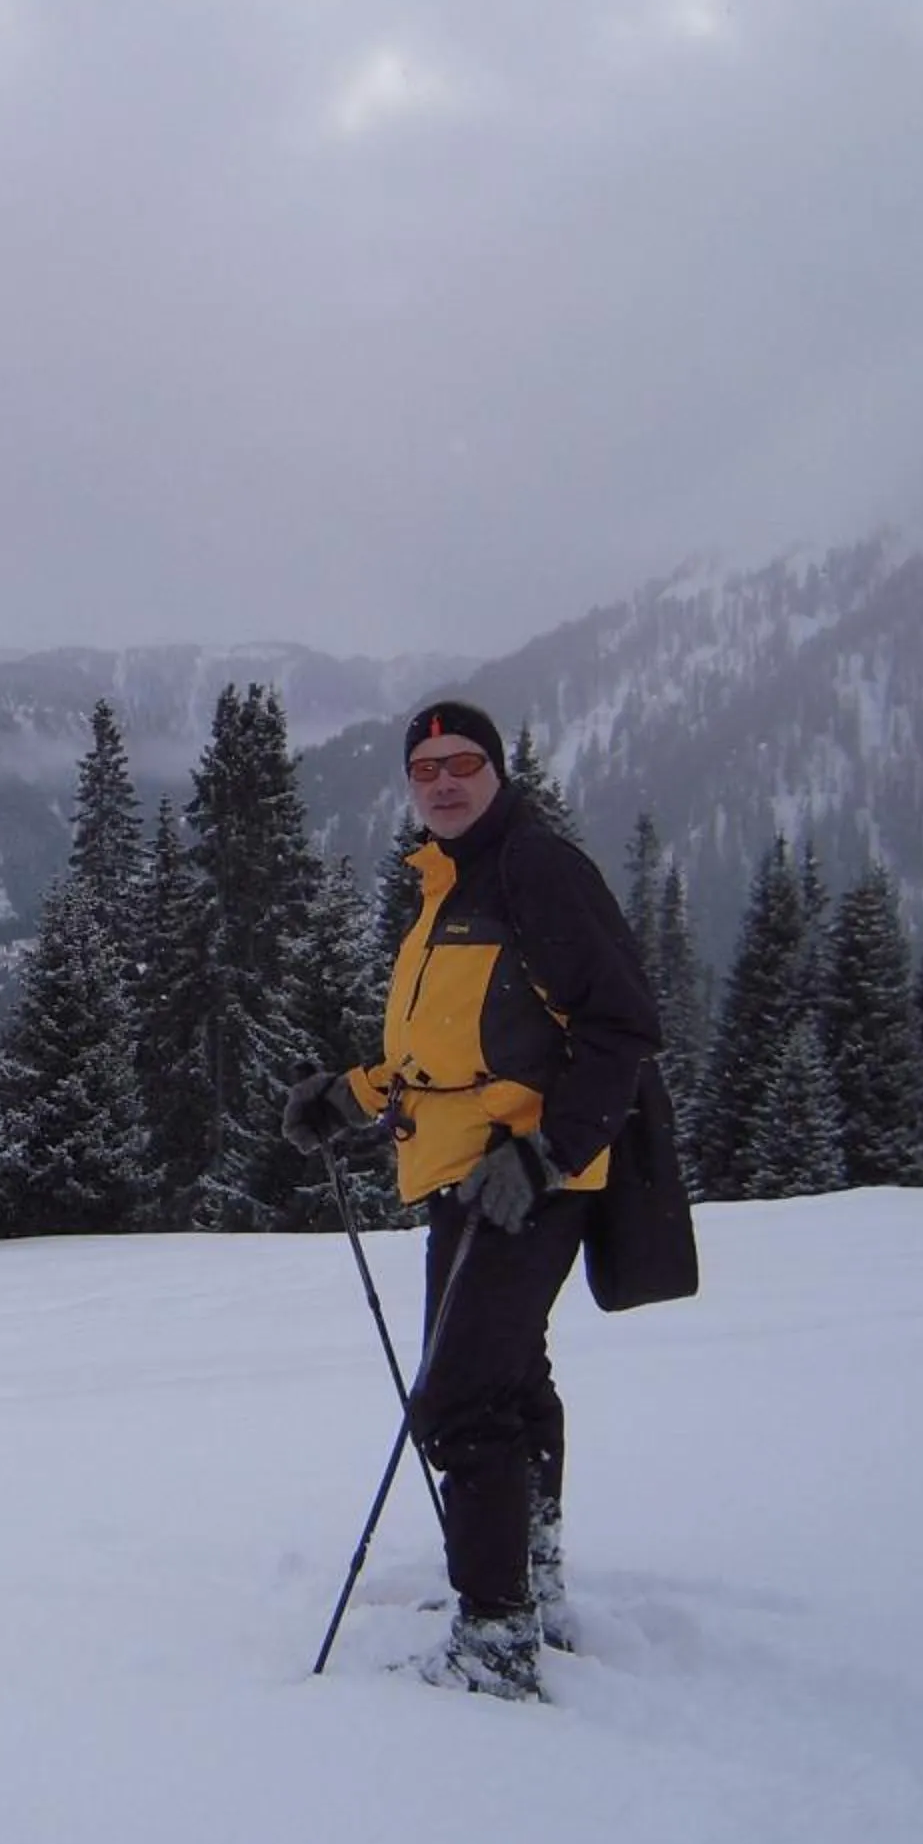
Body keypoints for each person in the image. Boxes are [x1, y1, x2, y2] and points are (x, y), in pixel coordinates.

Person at [283, 700, 670, 1700]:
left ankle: (495, 1639)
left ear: (497, 772)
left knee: (460, 1398)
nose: (444, 780)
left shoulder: (535, 870)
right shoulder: (447, 883)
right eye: (425, 768)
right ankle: (525, 1581)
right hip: (463, 1172)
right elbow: (449, 1051)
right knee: (511, 1378)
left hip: (527, 1180)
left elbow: (623, 1029)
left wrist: (544, 1156)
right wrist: (353, 1093)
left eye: (463, 762)